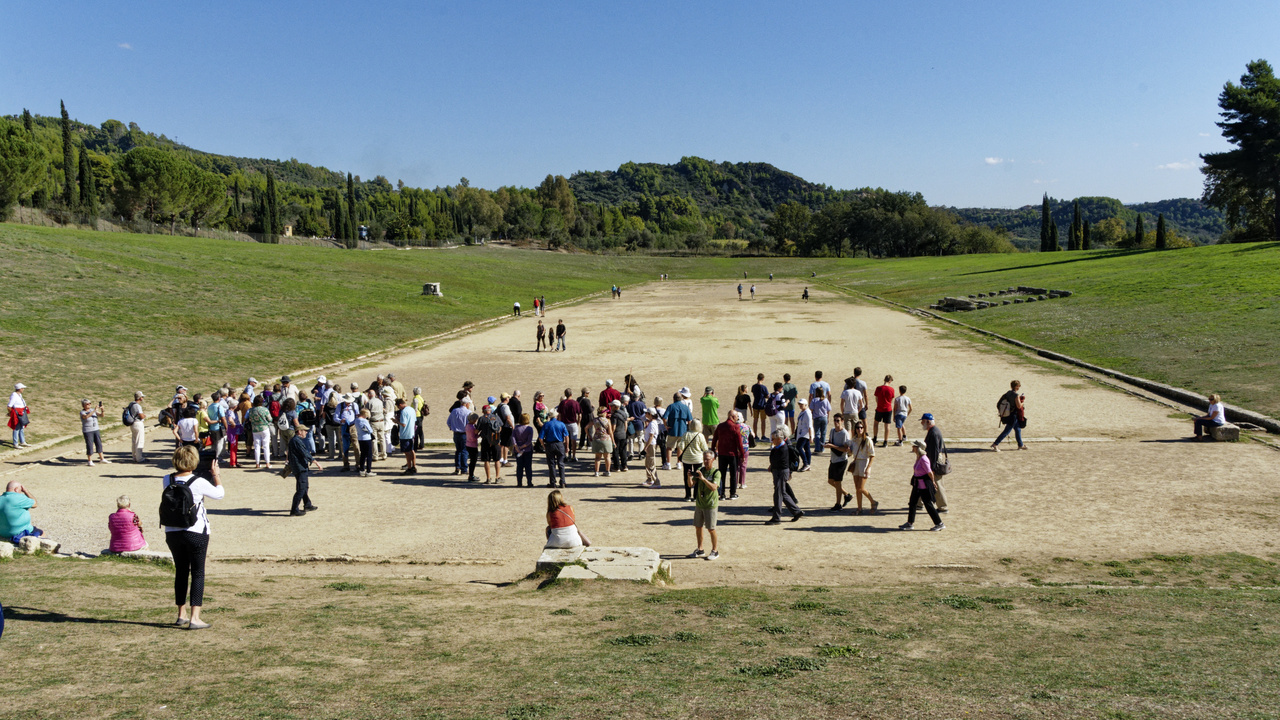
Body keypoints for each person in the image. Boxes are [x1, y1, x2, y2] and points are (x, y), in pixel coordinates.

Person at [162, 445, 225, 629]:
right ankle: (195, 618)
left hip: (172, 531)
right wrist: (216, 475)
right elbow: (219, 494)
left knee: (181, 572)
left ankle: (181, 614)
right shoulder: (198, 481)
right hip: (196, 531)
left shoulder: (167, 479)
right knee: (197, 573)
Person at [900, 440, 944, 531]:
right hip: (917, 485)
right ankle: (910, 523)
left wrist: (933, 482)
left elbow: (929, 472)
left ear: (918, 448)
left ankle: (939, 523)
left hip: (924, 486)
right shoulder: (918, 457)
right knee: (912, 503)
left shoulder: (924, 459)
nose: (912, 447)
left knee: (928, 505)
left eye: (914, 446)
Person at [765, 426, 804, 525]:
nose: (772, 441)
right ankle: (796, 511)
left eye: (773, 439)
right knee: (783, 493)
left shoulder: (782, 448)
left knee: (778, 495)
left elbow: (777, 461)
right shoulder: (780, 447)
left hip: (780, 473)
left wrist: (772, 466)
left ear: (779, 439)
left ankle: (776, 517)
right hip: (779, 472)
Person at [688, 450, 720, 560]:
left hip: (710, 504)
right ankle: (700, 549)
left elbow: (714, 487)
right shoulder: (700, 470)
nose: (705, 461)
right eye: (704, 459)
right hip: (699, 503)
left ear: (713, 459)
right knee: (698, 527)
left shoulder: (716, 472)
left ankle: (715, 551)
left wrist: (703, 479)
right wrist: (689, 477)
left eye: (708, 459)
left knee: (711, 528)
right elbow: (691, 484)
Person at [285, 425, 323, 514]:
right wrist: (315, 462)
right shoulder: (297, 441)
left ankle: (307, 505)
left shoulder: (294, 440)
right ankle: (294, 510)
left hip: (299, 467)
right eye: (304, 430)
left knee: (304, 487)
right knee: (301, 489)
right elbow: (305, 453)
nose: (306, 432)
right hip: (300, 468)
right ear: (299, 431)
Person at [711, 412, 744, 500]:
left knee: (722, 474)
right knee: (733, 474)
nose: (737, 418)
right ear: (732, 417)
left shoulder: (720, 426)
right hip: (732, 454)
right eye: (736, 416)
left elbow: (714, 439)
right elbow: (739, 443)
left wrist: (713, 450)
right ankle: (732, 493)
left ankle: (722, 494)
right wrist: (742, 454)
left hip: (722, 454)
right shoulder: (735, 427)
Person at [921, 413, 949, 513]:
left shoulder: (933, 433)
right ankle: (918, 503)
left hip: (933, 460)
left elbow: (934, 452)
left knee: (937, 483)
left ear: (928, 422)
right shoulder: (934, 431)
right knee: (922, 481)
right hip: (932, 459)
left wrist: (932, 468)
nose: (921, 423)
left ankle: (943, 507)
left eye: (923, 421)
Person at [824, 414, 853, 511]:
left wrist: (832, 446)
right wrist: (827, 445)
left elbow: (845, 449)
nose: (836, 422)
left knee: (838, 482)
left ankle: (838, 504)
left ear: (842, 421)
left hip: (841, 461)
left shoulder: (844, 433)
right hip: (833, 459)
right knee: (830, 481)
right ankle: (847, 495)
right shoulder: (832, 431)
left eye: (838, 420)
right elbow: (831, 442)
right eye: (835, 420)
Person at [849, 421, 878, 515]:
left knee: (861, 488)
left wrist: (868, 467)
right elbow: (851, 453)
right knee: (857, 488)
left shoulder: (867, 440)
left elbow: (872, 455)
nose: (859, 429)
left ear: (864, 429)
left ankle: (873, 502)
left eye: (861, 427)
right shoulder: (854, 440)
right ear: (855, 429)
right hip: (856, 462)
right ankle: (859, 508)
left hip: (864, 463)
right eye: (857, 427)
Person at [677, 420, 709, 501]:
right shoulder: (700, 435)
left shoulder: (686, 434)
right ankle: (695, 496)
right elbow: (705, 448)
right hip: (697, 459)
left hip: (686, 459)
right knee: (697, 477)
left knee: (687, 477)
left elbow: (681, 446)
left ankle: (687, 495)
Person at [991, 380, 1026, 451]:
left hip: (1008, 414)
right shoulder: (1016, 395)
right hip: (1013, 416)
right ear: (1016, 386)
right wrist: (1022, 401)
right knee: (1007, 431)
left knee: (1018, 429)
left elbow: (999, 403)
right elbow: (1019, 406)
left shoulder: (1008, 393)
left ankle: (1021, 445)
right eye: (1019, 386)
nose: (1019, 387)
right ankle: (995, 444)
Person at [662, 390, 692, 471]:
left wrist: (666, 426)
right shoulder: (685, 407)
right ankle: (679, 463)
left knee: (669, 447)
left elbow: (664, 418)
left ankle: (668, 463)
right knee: (680, 447)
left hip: (672, 430)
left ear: (674, 398)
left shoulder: (671, 406)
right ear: (681, 398)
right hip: (683, 430)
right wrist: (689, 429)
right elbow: (690, 420)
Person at [540, 411, 568, 488]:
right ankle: (562, 481)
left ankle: (553, 482)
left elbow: (540, 438)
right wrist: (567, 446)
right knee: (561, 464)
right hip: (559, 444)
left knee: (551, 464)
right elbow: (566, 436)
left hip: (550, 444)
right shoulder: (561, 424)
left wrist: (543, 446)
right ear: (556, 416)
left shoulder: (546, 424)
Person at [476, 401, 502, 482]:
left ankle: (488, 478)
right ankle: (497, 477)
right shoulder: (496, 417)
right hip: (496, 440)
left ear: (483, 411)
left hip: (486, 441)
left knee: (486, 460)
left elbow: (476, 431)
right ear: (490, 410)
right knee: (497, 460)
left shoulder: (482, 419)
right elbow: (500, 428)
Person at [80, 399, 109, 466]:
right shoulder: (82, 412)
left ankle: (102, 458)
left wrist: (102, 410)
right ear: (83, 405)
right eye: (87, 404)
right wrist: (94, 410)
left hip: (96, 429)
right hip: (88, 430)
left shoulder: (92, 410)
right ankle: (89, 460)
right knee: (89, 445)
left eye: (90, 403)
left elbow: (101, 415)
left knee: (99, 443)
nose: (89, 405)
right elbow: (86, 417)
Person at [247, 396, 272, 469]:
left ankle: (257, 463)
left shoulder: (251, 410)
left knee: (257, 446)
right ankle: (267, 463)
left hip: (255, 429)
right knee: (266, 446)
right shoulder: (265, 409)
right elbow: (270, 419)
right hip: (264, 428)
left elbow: (250, 419)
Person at [588, 407, 614, 477]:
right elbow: (610, 432)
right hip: (606, 439)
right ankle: (607, 471)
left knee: (597, 457)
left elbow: (586, 427)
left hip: (597, 439)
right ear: (604, 413)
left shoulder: (594, 420)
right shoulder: (607, 420)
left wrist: (589, 436)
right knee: (607, 456)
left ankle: (597, 472)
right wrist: (613, 441)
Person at [872, 375, 896, 447]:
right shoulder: (891, 389)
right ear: (890, 381)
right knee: (887, 425)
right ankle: (885, 441)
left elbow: (876, 398)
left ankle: (875, 438)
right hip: (888, 408)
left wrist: (879, 404)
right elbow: (891, 399)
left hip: (880, 408)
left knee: (876, 423)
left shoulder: (878, 388)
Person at [557, 389, 580, 461]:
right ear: (571, 394)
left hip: (564, 423)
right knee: (574, 440)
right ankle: (574, 456)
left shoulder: (562, 403)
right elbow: (579, 415)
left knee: (564, 439)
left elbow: (560, 414)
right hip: (573, 423)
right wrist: (578, 423)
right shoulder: (575, 403)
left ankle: (565, 455)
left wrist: (559, 423)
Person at [513, 413, 535, 487]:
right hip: (527, 449)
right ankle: (529, 482)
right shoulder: (529, 429)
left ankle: (519, 482)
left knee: (519, 467)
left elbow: (513, 439)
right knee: (528, 467)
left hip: (518, 450)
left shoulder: (516, 428)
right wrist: (522, 447)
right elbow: (529, 441)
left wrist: (517, 447)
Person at [641, 407, 661, 487]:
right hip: (649, 444)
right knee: (648, 463)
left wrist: (646, 447)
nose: (645, 414)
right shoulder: (651, 422)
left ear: (650, 414)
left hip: (651, 445)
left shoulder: (652, 424)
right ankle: (649, 479)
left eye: (646, 413)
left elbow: (651, 436)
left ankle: (656, 481)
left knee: (651, 463)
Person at [396, 398, 417, 475]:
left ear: (400, 405)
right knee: (412, 450)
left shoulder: (404, 411)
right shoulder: (412, 409)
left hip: (405, 434)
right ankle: (414, 466)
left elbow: (403, 424)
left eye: (398, 407)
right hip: (411, 433)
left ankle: (409, 468)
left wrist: (397, 421)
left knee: (407, 452)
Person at [610, 399, 630, 473]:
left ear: (615, 407)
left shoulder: (614, 415)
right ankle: (624, 466)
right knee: (623, 451)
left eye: (612, 406)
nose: (611, 407)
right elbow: (626, 425)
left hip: (616, 434)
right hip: (623, 434)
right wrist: (624, 432)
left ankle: (616, 467)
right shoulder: (624, 413)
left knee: (615, 451)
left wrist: (611, 434)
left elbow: (613, 427)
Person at [365, 390, 386, 461]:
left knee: (374, 440)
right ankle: (384, 454)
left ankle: (375, 455)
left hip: (374, 422)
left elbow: (367, 413)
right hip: (381, 421)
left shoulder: (369, 402)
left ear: (369, 395)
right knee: (382, 438)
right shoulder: (380, 401)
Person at [126, 391, 147, 463]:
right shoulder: (137, 406)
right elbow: (141, 416)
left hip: (132, 424)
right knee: (139, 441)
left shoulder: (131, 404)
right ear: (140, 398)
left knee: (134, 441)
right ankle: (139, 458)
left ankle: (134, 457)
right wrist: (144, 415)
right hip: (138, 423)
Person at [8, 383, 30, 448]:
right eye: (22, 388)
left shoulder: (19, 395)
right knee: (16, 428)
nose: (23, 389)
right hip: (17, 413)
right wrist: (10, 413)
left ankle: (22, 441)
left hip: (21, 412)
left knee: (21, 427)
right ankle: (15, 443)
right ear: (19, 389)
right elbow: (9, 406)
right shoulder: (14, 395)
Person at [794, 398, 813, 471]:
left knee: (798, 447)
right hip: (802, 433)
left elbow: (810, 426)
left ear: (806, 405)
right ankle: (808, 464)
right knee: (807, 449)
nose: (800, 406)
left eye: (802, 404)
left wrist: (811, 436)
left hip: (805, 434)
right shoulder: (803, 412)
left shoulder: (807, 413)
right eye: (799, 404)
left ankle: (806, 463)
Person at [354, 409, 374, 477]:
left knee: (363, 454)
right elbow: (370, 430)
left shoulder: (356, 420)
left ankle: (362, 469)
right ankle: (368, 470)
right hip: (367, 438)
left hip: (360, 438)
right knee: (369, 455)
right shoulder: (364, 420)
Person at [811, 387, 831, 453]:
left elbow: (811, 409)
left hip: (817, 418)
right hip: (824, 417)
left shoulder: (814, 400)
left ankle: (817, 448)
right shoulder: (826, 400)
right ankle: (822, 448)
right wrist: (828, 418)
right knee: (823, 433)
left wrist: (812, 415)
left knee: (817, 433)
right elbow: (828, 410)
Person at [750, 373, 769, 440]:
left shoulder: (754, 386)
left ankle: (755, 435)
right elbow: (767, 395)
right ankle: (763, 435)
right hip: (762, 405)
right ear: (763, 379)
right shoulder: (763, 387)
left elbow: (753, 393)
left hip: (755, 404)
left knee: (755, 420)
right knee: (763, 420)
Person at [575, 388, 593, 455]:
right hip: (588, 417)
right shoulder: (587, 400)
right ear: (585, 393)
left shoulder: (578, 399)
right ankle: (589, 445)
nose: (588, 394)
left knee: (583, 431)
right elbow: (590, 410)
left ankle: (581, 444)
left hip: (582, 417)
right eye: (588, 393)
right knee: (589, 431)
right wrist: (593, 407)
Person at [465, 412, 480, 481]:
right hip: (472, 445)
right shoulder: (472, 428)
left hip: (468, 444)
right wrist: (478, 435)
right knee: (473, 461)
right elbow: (473, 438)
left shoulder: (468, 425)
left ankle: (471, 475)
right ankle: (471, 475)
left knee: (472, 460)